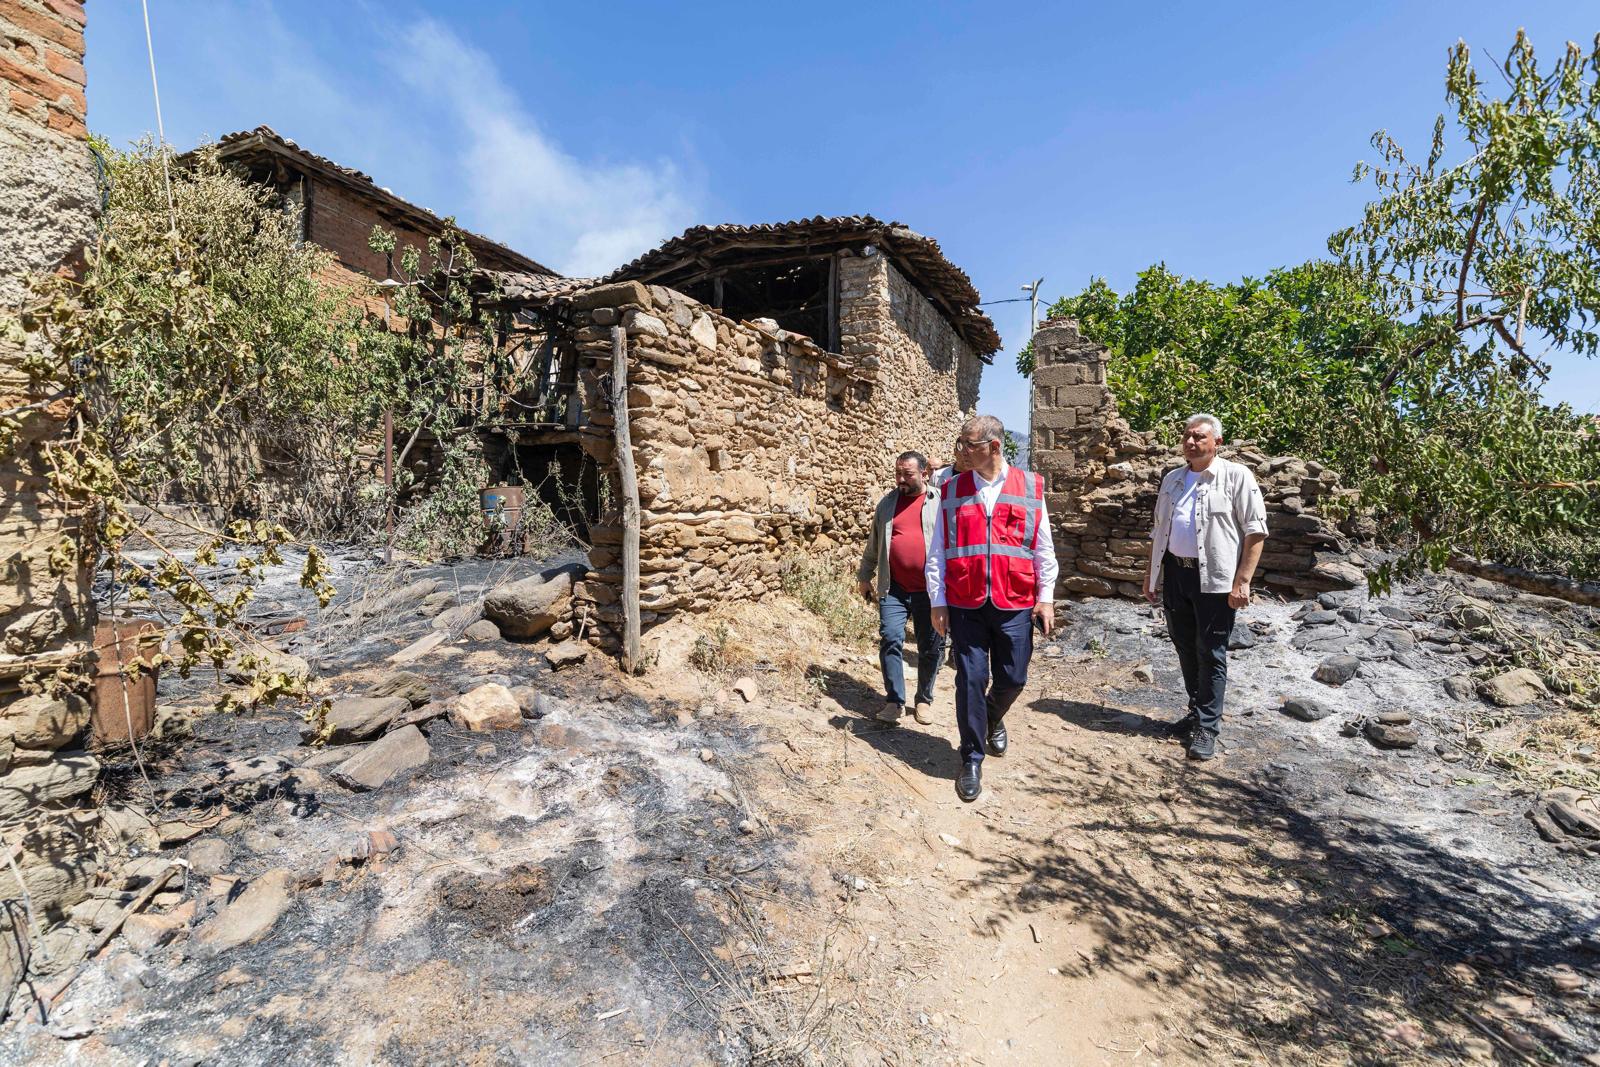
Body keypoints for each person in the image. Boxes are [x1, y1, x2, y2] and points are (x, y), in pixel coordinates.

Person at [928, 415, 1058, 802]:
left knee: (1014, 677)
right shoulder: (951, 490)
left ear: (994, 446)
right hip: (965, 601)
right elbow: (938, 551)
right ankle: (970, 757)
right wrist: (938, 601)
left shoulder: (1030, 487)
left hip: (1015, 600)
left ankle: (992, 716)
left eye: (968, 445)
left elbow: (1043, 546)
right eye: (960, 444)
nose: (961, 451)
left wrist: (1046, 596)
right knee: (969, 679)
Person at [1143, 413, 1268, 761]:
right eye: (1187, 436)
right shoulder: (1172, 479)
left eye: (1199, 437)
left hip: (1214, 579)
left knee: (1210, 651)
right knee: (1184, 646)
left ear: (1217, 443)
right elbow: (1159, 531)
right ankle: (1196, 712)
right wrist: (1150, 575)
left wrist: (1242, 582)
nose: (1191, 442)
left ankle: (1208, 727)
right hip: (1176, 575)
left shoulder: (1235, 476)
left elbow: (1255, 532)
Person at [857, 452, 945, 726]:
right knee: (891, 639)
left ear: (924, 474)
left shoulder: (940, 503)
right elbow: (874, 544)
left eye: (908, 474)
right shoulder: (887, 504)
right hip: (893, 587)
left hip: (930, 591)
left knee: (930, 647)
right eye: (898, 473)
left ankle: (923, 700)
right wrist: (864, 575)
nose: (901, 479)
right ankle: (895, 701)